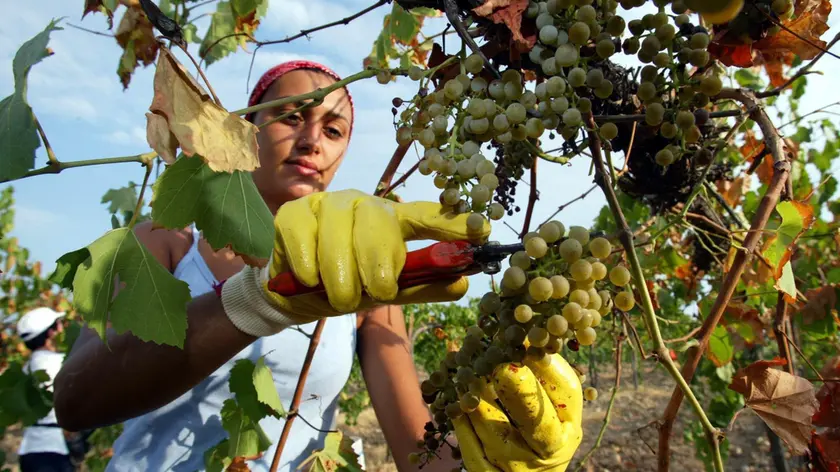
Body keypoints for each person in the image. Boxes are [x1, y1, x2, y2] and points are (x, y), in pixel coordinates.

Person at [52, 60, 478, 472]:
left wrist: (498, 453)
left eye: (333, 130)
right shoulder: (164, 241)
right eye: (290, 117)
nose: (312, 140)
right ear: (248, 131)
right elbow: (76, 401)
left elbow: (420, 455)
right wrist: (251, 302)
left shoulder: (364, 280)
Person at [16, 307, 75, 472]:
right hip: (53, 451)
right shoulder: (62, 364)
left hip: (29, 450)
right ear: (51, 333)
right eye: (59, 325)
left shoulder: (25, 369)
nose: (63, 328)